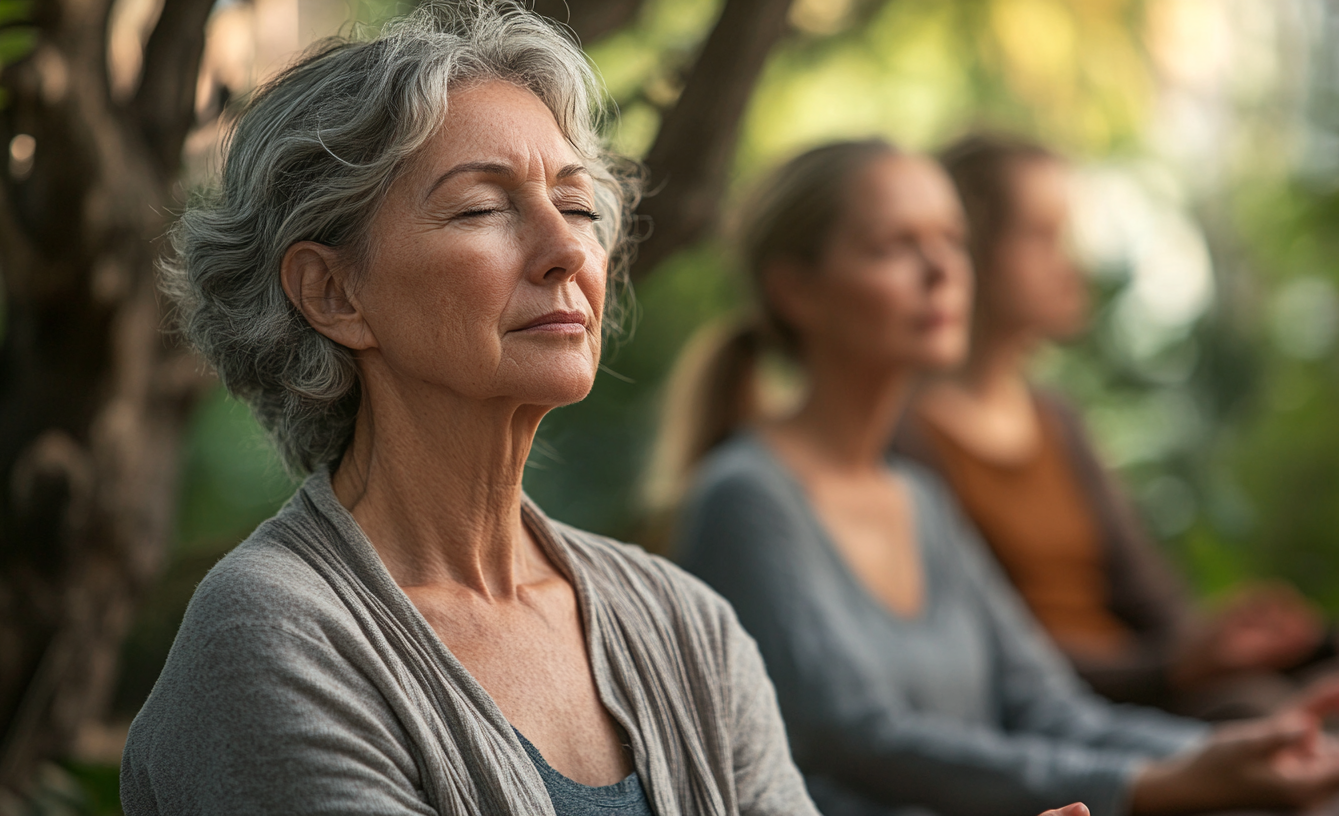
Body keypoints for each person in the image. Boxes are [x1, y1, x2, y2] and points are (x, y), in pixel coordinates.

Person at [119, 4, 822, 814]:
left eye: (579, 204)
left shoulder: (686, 626)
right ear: (333, 293)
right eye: (482, 208)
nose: (566, 250)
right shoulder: (276, 634)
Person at [667, 139, 1339, 815]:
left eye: (950, 240)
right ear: (794, 289)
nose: (942, 270)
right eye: (892, 246)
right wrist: (1152, 781)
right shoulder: (747, 498)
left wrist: (1256, 747)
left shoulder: (918, 500)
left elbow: (1046, 706)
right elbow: (863, 740)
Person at [897, 133, 1339, 720]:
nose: (1072, 264)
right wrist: (1171, 671)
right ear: (974, 248)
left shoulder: (1055, 419)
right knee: (1263, 716)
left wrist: (1327, 646)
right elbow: (985, 655)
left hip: (1151, 685)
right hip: (1072, 711)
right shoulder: (907, 438)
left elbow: (1157, 606)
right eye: (1042, 237)